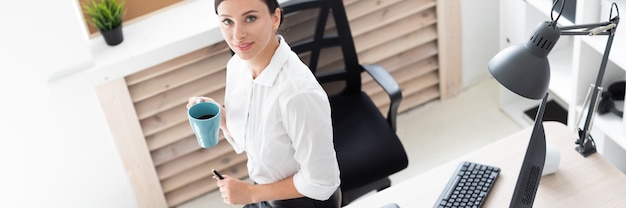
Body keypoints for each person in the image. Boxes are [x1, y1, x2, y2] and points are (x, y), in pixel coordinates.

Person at [186, 0, 341, 207]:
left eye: (250, 18)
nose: (237, 34)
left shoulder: (297, 93)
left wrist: (251, 194)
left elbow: (321, 183)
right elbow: (253, 138)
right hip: (265, 190)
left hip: (302, 201)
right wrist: (222, 118)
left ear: (275, 18)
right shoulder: (237, 66)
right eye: (227, 21)